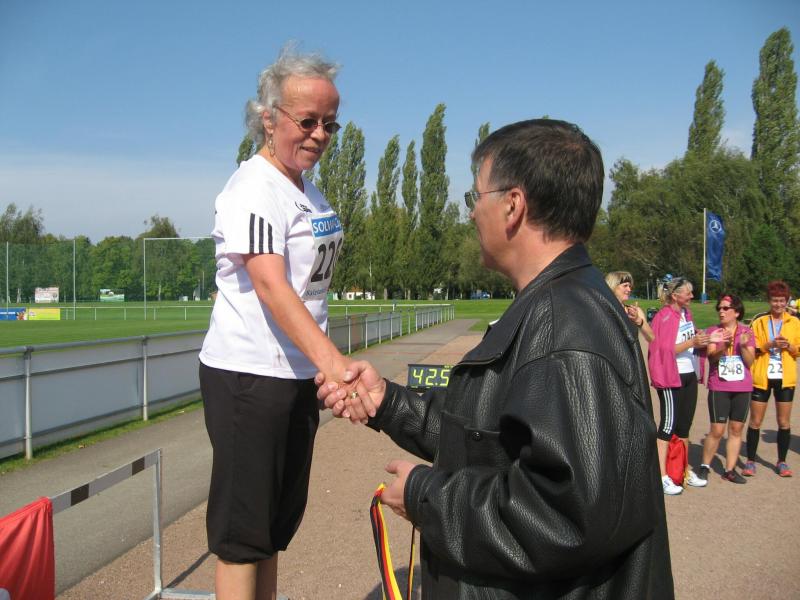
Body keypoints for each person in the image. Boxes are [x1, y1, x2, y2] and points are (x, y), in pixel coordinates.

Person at [318, 119, 673, 599]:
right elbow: (491, 439)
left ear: (512, 205)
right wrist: (388, 402)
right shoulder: (555, 307)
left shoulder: (566, 329)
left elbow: (565, 516)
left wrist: (426, 497)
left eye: (475, 196)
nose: (470, 213)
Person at [198, 47, 354, 600]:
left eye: (330, 123)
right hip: (251, 376)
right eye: (307, 121)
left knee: (271, 531)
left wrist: (319, 367)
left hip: (295, 375)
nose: (319, 135)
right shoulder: (254, 188)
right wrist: (336, 366)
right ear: (269, 118)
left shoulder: (305, 188)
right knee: (243, 537)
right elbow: (271, 286)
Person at [647, 277, 710, 495]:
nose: (692, 296)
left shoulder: (686, 314)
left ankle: (681, 471)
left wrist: (699, 338)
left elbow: (688, 341)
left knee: (684, 427)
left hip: (688, 374)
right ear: (675, 296)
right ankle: (661, 476)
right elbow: (664, 350)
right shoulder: (663, 316)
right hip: (670, 377)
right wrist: (692, 342)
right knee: (667, 426)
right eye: (688, 292)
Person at [744, 280, 800, 477]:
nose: (778, 304)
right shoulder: (759, 321)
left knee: (783, 422)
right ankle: (750, 461)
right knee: (755, 421)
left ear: (787, 301)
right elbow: (752, 347)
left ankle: (782, 461)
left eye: (782, 301)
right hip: (762, 376)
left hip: (785, 378)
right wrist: (769, 344)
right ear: (769, 301)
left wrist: (789, 346)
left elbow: (798, 349)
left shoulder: (795, 322)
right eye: (775, 300)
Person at [697, 294, 755, 484]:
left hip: (742, 387)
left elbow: (750, 362)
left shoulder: (746, 332)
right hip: (720, 386)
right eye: (719, 308)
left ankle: (729, 469)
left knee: (736, 429)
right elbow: (712, 357)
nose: (721, 311)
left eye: (725, 308)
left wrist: (744, 346)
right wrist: (725, 347)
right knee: (717, 430)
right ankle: (704, 466)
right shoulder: (714, 331)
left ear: (736, 312)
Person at [605, 270, 655, 342]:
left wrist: (638, 320)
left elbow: (651, 338)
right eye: (625, 286)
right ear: (613, 286)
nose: (629, 289)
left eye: (630, 286)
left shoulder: (635, 311)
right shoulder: (603, 309)